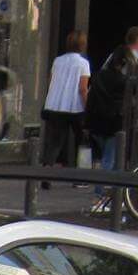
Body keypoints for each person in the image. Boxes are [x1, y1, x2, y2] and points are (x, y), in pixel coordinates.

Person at [84, 36, 137, 213]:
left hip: (97, 122)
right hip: (114, 123)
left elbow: (91, 98)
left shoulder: (99, 76)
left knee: (101, 161)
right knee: (109, 161)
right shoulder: (124, 82)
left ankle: (102, 197)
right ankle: (101, 198)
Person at [43, 30, 90, 170]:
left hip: (56, 105)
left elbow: (50, 81)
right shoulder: (83, 63)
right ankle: (80, 175)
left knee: (55, 142)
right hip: (75, 107)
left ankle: (47, 170)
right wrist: (88, 106)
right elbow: (83, 88)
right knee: (82, 142)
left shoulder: (58, 60)